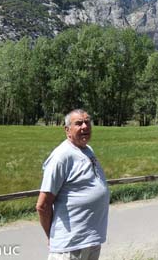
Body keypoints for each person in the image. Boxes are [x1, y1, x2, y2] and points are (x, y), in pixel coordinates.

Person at [36, 109, 110, 260]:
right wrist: (52, 236)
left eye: (87, 122)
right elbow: (42, 205)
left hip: (91, 240)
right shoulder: (61, 157)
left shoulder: (87, 149)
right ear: (67, 130)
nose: (85, 126)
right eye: (78, 123)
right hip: (70, 245)